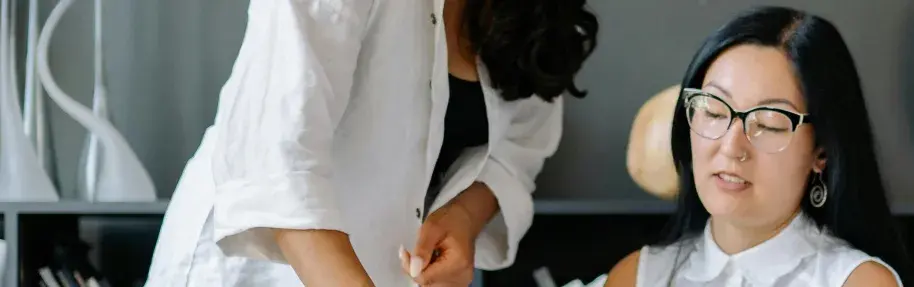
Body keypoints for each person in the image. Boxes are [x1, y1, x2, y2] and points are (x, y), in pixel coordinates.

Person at [145, 0, 597, 285]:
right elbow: (276, 160)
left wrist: (462, 216)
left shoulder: (539, 13)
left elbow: (517, 148)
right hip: (265, 266)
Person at [604, 7, 914, 287]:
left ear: (821, 151)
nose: (730, 146)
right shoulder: (638, 277)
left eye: (767, 123)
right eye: (713, 111)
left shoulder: (856, 281)